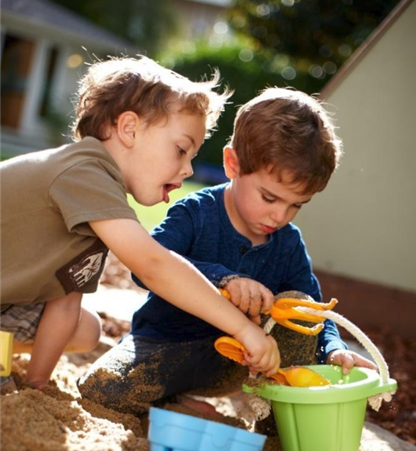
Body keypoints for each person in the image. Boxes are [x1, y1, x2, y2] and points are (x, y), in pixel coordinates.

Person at [78, 86, 377, 416]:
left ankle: (276, 429)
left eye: (296, 205)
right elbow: (147, 265)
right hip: (163, 348)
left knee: (300, 305)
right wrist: (224, 279)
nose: (280, 216)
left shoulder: (288, 243)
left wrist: (333, 350)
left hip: (238, 361)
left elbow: (315, 313)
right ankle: (172, 403)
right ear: (233, 164)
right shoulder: (195, 213)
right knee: (102, 387)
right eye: (269, 198)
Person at [0, 56, 280, 391]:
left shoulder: (101, 200)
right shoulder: (83, 172)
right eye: (181, 150)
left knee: (84, 328)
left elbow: (64, 304)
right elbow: (153, 264)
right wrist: (244, 329)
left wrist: (37, 385)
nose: (188, 170)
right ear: (129, 129)